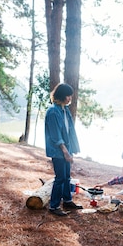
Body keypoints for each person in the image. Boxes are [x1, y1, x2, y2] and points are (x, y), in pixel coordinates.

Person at [45, 83, 83, 216]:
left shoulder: (65, 110)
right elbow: (56, 136)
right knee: (60, 178)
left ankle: (67, 200)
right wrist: (65, 152)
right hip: (58, 151)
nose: (70, 98)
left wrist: (72, 149)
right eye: (68, 95)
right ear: (61, 95)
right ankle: (54, 206)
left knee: (67, 177)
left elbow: (69, 131)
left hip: (67, 149)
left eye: (70, 96)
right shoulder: (53, 112)